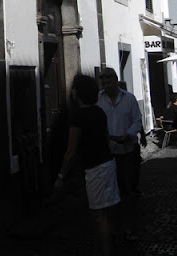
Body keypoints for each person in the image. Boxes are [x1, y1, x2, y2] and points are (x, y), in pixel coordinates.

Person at [55, 74, 120, 256]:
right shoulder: (99, 112)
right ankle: (102, 248)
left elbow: (71, 150)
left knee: (99, 216)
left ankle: (104, 251)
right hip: (108, 163)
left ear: (78, 92)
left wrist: (61, 175)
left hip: (95, 168)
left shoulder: (78, 117)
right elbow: (106, 138)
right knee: (105, 212)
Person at [97, 68, 143, 241]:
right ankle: (112, 228)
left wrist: (129, 135)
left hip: (126, 153)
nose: (106, 85)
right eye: (103, 82)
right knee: (108, 193)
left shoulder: (129, 99)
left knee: (127, 192)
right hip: (106, 155)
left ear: (116, 80)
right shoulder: (98, 100)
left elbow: (137, 120)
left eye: (109, 81)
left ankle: (128, 227)